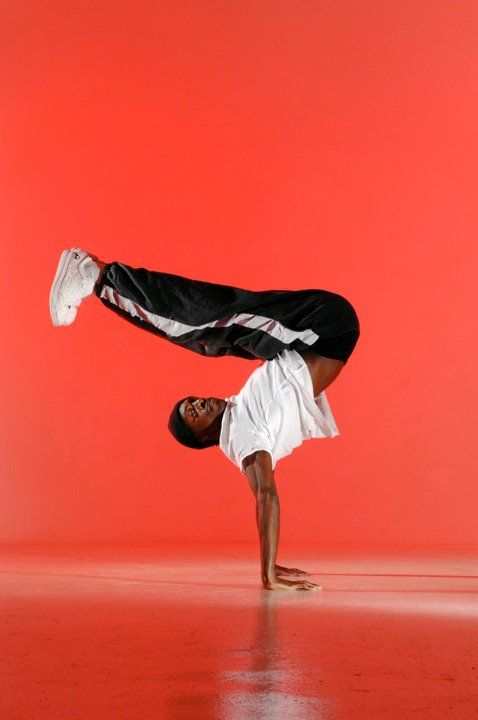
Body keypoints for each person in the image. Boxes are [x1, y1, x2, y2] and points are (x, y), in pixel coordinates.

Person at [50, 248, 361, 592]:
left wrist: (269, 562)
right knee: (205, 323)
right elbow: (266, 496)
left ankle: (98, 275)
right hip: (325, 327)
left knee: (206, 336)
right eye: (194, 413)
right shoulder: (243, 436)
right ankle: (97, 275)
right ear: (203, 438)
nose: (199, 403)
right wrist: (267, 573)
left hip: (314, 333)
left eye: (192, 402)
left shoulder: (238, 410)